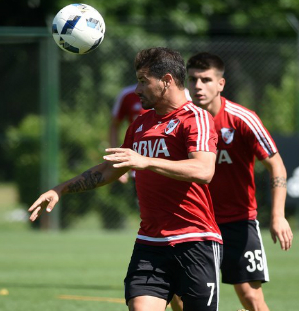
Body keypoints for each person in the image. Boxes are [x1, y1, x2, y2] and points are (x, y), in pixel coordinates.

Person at [29, 47, 223, 311]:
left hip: (195, 241)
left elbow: (204, 171)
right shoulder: (141, 123)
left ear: (166, 81)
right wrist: (60, 189)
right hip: (150, 244)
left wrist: (146, 161)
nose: (137, 90)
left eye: (144, 81)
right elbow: (110, 169)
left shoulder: (195, 118)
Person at [181, 52, 294, 311]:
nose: (198, 86)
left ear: (221, 84)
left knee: (251, 297)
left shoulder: (242, 119)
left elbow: (276, 165)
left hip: (237, 222)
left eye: (206, 79)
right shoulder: (182, 120)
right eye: (193, 79)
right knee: (180, 294)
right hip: (194, 222)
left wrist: (277, 216)